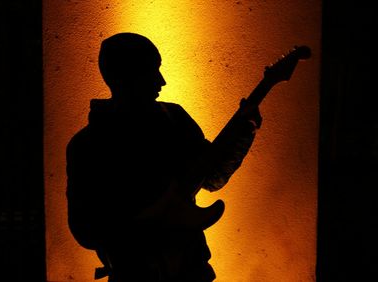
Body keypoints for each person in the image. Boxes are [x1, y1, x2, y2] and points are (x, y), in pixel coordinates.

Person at [66, 32, 262, 282]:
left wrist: (245, 131)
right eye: (151, 71)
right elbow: (85, 229)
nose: (162, 81)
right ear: (126, 77)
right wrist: (142, 223)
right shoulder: (87, 145)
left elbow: (212, 177)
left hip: (191, 270)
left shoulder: (175, 119)